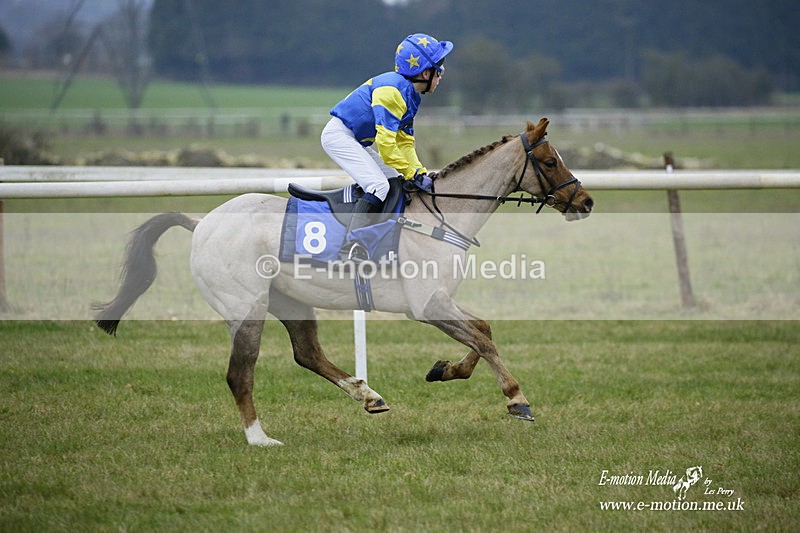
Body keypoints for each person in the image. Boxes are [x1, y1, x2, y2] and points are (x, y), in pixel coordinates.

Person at [321, 33, 454, 261]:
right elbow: (386, 146)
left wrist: (419, 171)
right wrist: (410, 172)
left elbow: (404, 142)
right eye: (439, 69)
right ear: (425, 73)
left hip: (355, 139)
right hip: (339, 136)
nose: (441, 75)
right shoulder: (393, 92)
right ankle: (351, 244)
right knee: (378, 186)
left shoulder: (410, 95)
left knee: (394, 182)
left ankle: (380, 238)